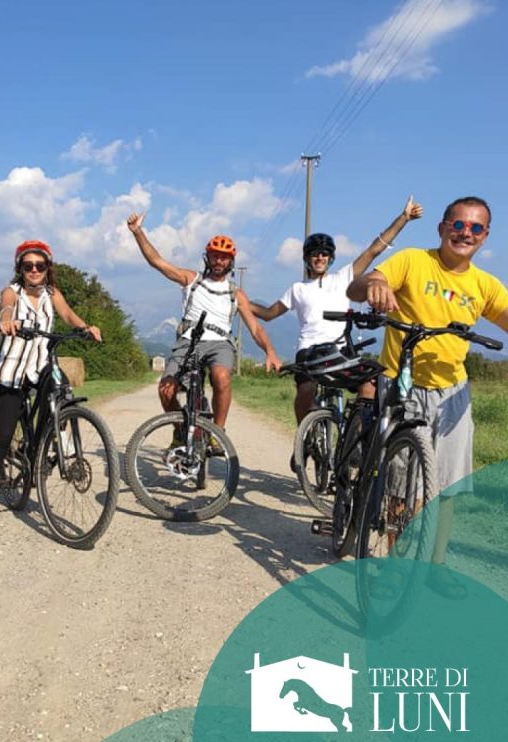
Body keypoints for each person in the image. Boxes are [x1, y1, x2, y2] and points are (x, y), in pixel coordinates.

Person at [346, 195, 508, 596]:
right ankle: (398, 568)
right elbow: (358, 285)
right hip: (404, 383)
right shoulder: (414, 260)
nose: (465, 233)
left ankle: (436, 567)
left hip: (453, 391)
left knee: (449, 485)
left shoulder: (484, 285)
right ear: (442, 228)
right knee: (402, 482)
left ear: (485, 237)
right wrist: (378, 284)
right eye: (458, 225)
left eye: (475, 228)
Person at [249, 196, 424, 431]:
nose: (319, 257)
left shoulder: (344, 278)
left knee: (369, 384)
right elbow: (269, 313)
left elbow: (374, 250)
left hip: (340, 350)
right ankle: (304, 435)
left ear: (330, 258)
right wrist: (239, 301)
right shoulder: (297, 289)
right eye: (314, 253)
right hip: (309, 353)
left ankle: (356, 438)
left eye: (324, 253)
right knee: (306, 390)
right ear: (307, 259)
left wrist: (403, 218)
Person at [0, 240, 102, 526]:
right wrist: (8, 319)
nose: (34, 270)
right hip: (10, 372)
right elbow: (6, 307)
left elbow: (68, 315)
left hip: (39, 365)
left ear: (47, 268)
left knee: (60, 386)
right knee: (3, 433)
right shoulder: (12, 291)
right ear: (20, 268)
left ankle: (57, 433)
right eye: (28, 265)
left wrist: (86, 328)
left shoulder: (52, 294)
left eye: (39, 265)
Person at [126, 212, 282, 442]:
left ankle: (217, 434)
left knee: (221, 377)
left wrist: (270, 352)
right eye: (215, 256)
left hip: (220, 343)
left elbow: (256, 328)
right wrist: (138, 232)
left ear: (231, 262)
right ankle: (179, 430)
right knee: (165, 389)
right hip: (189, 340)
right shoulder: (191, 279)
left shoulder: (235, 293)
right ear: (207, 257)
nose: (219, 261)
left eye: (224, 257)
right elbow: (157, 262)